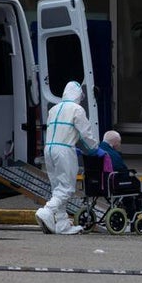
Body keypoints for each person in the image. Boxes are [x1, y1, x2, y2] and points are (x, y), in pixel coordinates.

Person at [36, 80, 99, 235]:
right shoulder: (77, 109)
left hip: (49, 149)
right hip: (64, 150)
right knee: (66, 187)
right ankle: (47, 211)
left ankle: (62, 223)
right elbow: (86, 134)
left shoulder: (54, 109)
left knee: (57, 186)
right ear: (77, 95)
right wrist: (94, 148)